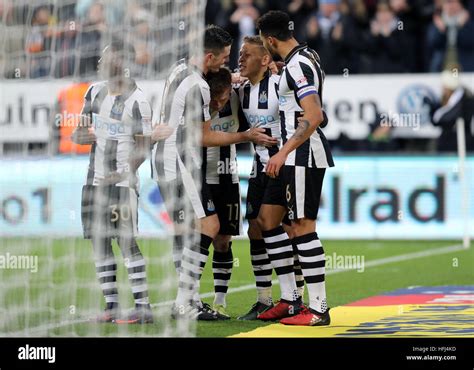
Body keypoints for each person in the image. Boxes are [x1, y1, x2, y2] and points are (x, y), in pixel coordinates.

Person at [150, 25, 277, 320]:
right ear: (209, 56)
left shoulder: (178, 69)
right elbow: (203, 137)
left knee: (191, 230)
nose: (227, 62)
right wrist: (246, 136)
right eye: (224, 57)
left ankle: (189, 299)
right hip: (181, 160)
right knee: (209, 225)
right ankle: (185, 302)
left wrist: (234, 77)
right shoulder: (200, 86)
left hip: (164, 159)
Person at [256, 10, 334, 326]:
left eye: (264, 43)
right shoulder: (304, 57)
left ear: (270, 40)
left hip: (302, 155)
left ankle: (318, 309)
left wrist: (282, 152)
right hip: (291, 156)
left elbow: (314, 116)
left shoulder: (299, 64)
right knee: (267, 219)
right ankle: (290, 300)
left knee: (303, 226)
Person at [72, 39, 154, 324]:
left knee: (126, 241)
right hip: (93, 181)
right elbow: (79, 133)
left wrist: (124, 172)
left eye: (107, 58)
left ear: (121, 62)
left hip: (121, 185)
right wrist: (81, 135)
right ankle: (112, 306)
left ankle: (143, 306)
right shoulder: (94, 91)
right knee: (99, 242)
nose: (101, 63)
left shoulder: (138, 101)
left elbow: (145, 147)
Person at [235, 36, 305, 320]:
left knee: (285, 230)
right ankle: (264, 298)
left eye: (247, 54)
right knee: (255, 229)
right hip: (257, 169)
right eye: (239, 54)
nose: (241, 59)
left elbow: (313, 116)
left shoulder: (280, 84)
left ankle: (295, 296)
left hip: (283, 167)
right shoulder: (240, 90)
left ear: (265, 60)